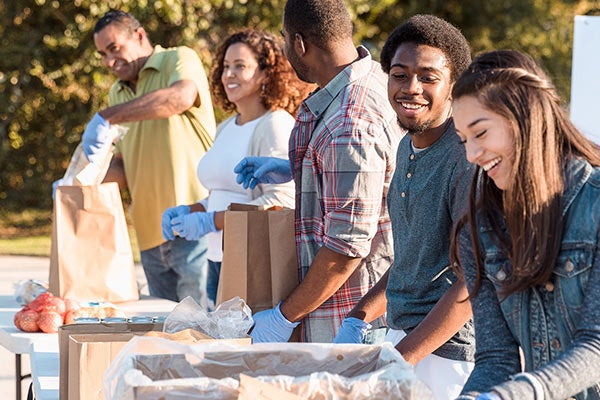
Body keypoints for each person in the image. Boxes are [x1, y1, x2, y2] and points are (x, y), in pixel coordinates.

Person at [234, 0, 402, 344]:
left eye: (284, 39)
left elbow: (346, 247)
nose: (285, 48)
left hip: (351, 322)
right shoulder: (371, 81)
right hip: (358, 312)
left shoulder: (349, 123)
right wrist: (300, 169)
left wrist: (283, 318)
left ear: (299, 43)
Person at [331, 15, 475, 399]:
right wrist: (358, 317)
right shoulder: (404, 147)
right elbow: (412, 259)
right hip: (402, 342)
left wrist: (401, 359)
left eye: (429, 77)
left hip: (448, 357)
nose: (412, 88)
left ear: (453, 85)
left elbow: (472, 281)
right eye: (400, 75)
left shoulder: (466, 158)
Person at [451, 49, 600, 400]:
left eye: (481, 132)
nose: (472, 154)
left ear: (524, 116)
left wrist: (513, 395)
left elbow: (596, 346)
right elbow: (495, 358)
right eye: (463, 140)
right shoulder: (480, 229)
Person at [161, 29, 312, 305]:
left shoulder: (274, 124)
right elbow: (222, 193)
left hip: (250, 264)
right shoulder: (225, 127)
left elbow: (280, 201)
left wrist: (211, 221)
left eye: (240, 66)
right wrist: (190, 211)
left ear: (266, 74)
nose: (228, 74)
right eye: (226, 67)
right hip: (217, 258)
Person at [84, 10, 216, 303]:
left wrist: (107, 117)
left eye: (114, 48)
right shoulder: (116, 93)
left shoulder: (178, 59)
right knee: (164, 337)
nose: (108, 61)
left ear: (139, 36)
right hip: (148, 237)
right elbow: (122, 165)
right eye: (103, 54)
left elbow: (179, 98)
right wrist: (79, 184)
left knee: (203, 332)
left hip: (194, 224)